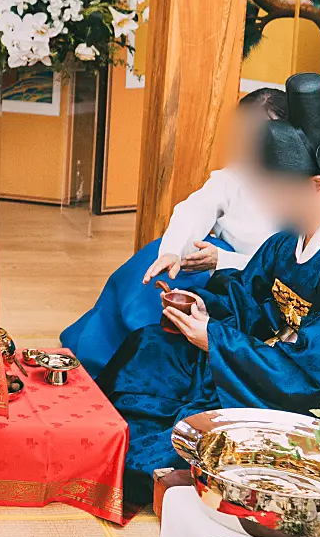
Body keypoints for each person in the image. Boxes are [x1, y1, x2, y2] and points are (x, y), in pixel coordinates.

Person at [94, 73, 320, 488]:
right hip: (266, 368)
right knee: (148, 347)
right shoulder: (289, 239)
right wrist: (205, 310)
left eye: (273, 189)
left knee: (154, 453)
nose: (264, 199)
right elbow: (250, 297)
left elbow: (316, 378)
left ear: (317, 186)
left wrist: (216, 341)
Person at [61, 87, 286, 375]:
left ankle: (133, 367)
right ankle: (95, 354)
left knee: (169, 301)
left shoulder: (298, 189)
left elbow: (288, 264)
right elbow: (195, 209)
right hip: (216, 264)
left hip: (255, 286)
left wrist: (223, 260)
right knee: (149, 265)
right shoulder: (235, 176)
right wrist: (172, 251)